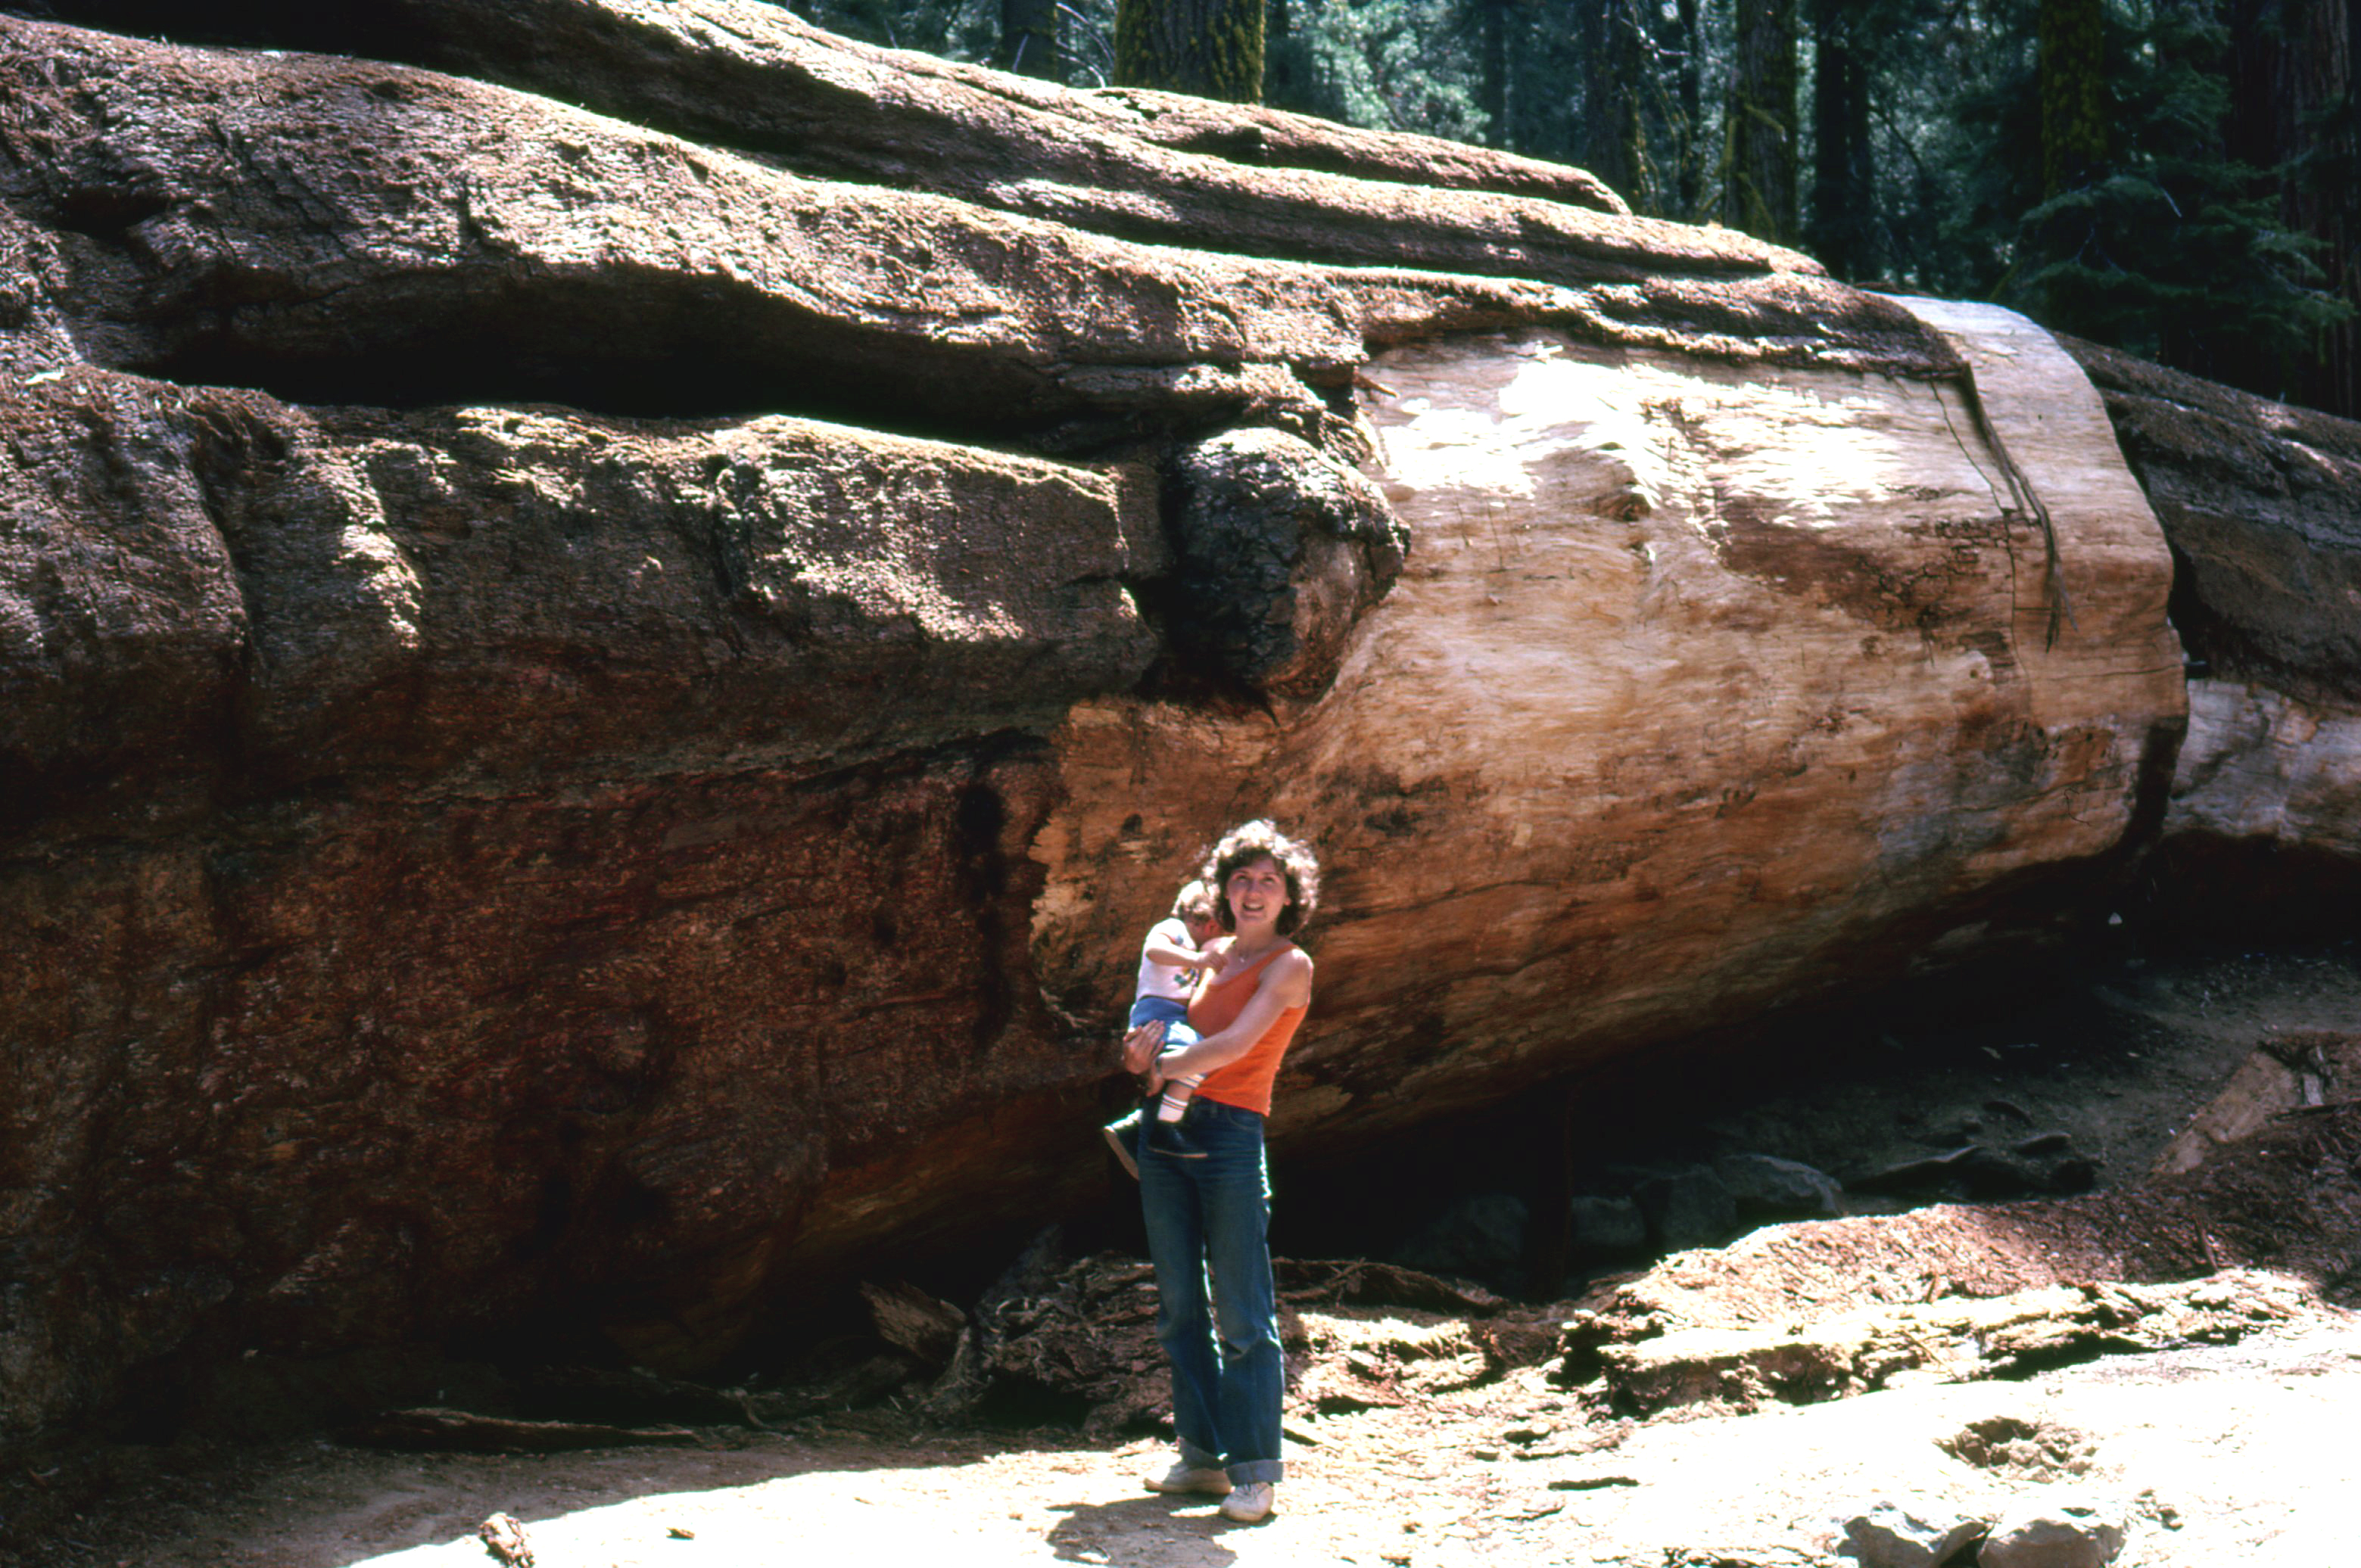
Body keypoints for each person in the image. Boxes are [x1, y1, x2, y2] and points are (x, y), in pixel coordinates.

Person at [1122, 819, 1318, 1526]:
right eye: (1242, 878)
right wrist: (1139, 1059)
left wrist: (1161, 1068)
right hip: (1165, 1137)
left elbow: (1234, 1045)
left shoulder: (1290, 966)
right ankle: (1201, 1456)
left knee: (1242, 1313)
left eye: (1268, 880)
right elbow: (1161, 1015)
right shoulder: (1209, 952)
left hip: (1231, 1136)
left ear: (1289, 894)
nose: (1253, 890)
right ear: (1225, 890)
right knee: (1179, 1308)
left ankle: (1256, 1473)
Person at [1101, 881, 1223, 1177]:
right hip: (1157, 1015)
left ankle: (1145, 1122)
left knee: (1201, 1061)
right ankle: (1162, 1126)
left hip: (1174, 1019)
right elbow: (1155, 949)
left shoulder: (1197, 946)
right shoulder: (1175, 929)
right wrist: (1197, 960)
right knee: (1202, 1056)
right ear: (1209, 924)